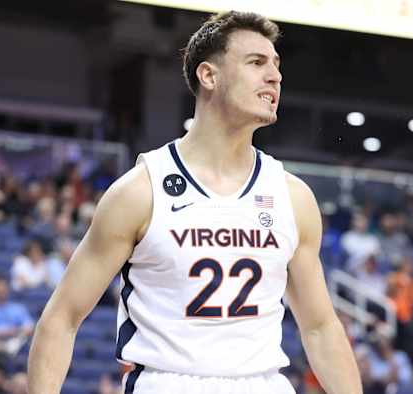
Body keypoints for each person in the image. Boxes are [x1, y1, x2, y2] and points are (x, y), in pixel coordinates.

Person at [27, 10, 361, 394]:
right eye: (256, 63)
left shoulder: (293, 196)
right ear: (209, 76)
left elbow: (320, 327)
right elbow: (62, 318)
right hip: (167, 383)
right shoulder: (139, 191)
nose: (275, 76)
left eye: (276, 65)